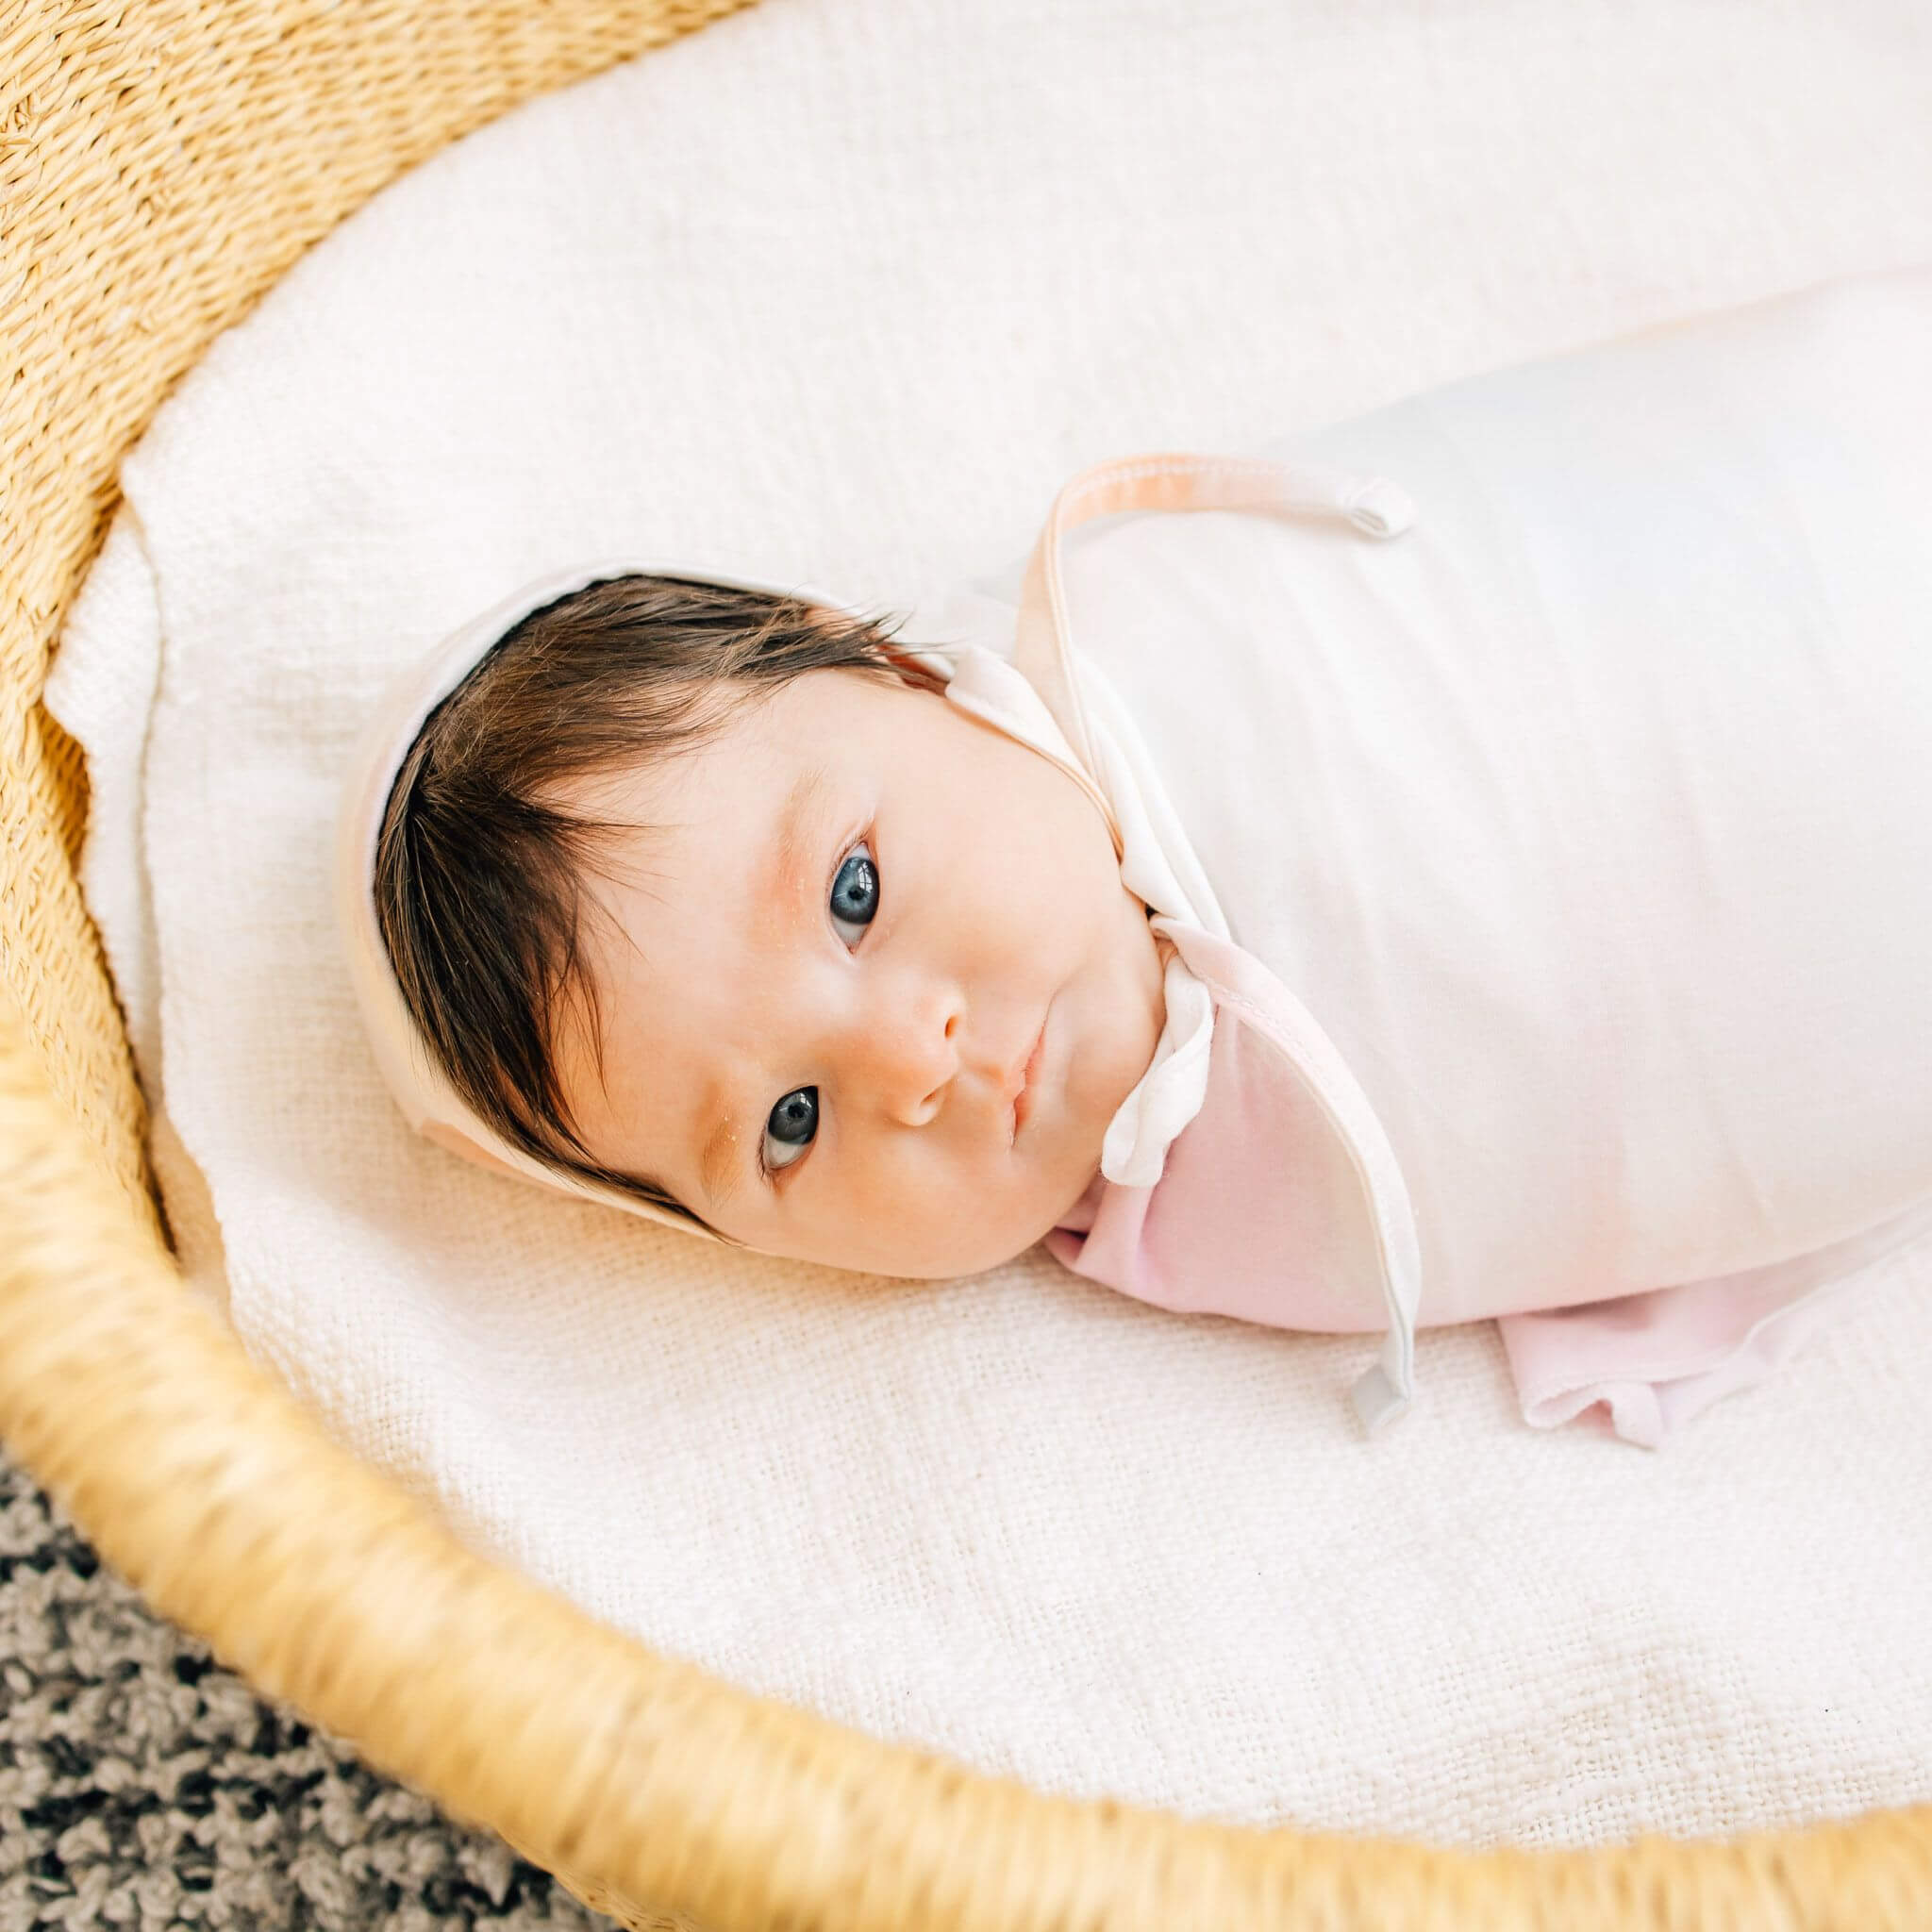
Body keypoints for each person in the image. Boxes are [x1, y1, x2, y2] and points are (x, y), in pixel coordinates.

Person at [340, 265, 1932, 1445]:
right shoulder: (1193, 1231)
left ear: (894, 669)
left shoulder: (1138, 624)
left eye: (853, 894)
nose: (912, 1060)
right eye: (788, 1124)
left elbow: (1539, 544)